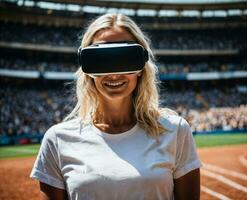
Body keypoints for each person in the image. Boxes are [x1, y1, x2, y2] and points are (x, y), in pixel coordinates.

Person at [30, 13, 202, 200]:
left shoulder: (175, 131)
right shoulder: (57, 140)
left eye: (125, 59)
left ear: (142, 65)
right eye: (101, 60)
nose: (114, 74)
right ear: (87, 69)